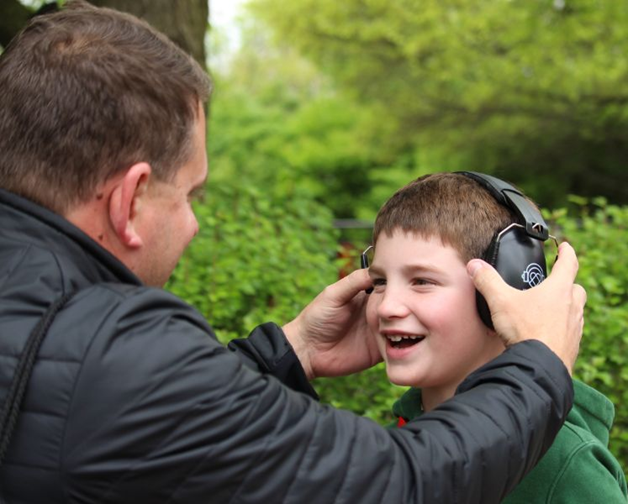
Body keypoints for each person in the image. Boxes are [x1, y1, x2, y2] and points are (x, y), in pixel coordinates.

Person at [0, 2, 586, 502]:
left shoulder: (46, 318)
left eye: (424, 281)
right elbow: (396, 485)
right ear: (127, 202)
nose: (194, 225)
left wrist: (290, 351)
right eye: (188, 196)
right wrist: (538, 362)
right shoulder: (111, 350)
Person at [365, 172, 626, 503]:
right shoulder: (390, 453)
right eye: (379, 282)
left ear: (505, 293)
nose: (387, 306)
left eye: (422, 281)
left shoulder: (566, 470)